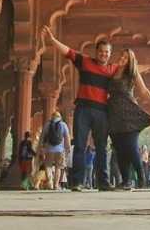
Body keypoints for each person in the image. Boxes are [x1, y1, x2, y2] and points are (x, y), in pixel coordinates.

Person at [42, 25, 120, 191]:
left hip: (102, 111)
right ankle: (77, 182)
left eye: (107, 52)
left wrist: (148, 67)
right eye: (101, 51)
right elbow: (68, 52)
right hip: (83, 109)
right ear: (96, 51)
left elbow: (132, 71)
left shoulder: (113, 69)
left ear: (110, 54)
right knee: (79, 145)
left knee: (101, 147)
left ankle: (103, 182)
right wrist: (52, 40)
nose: (104, 54)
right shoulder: (85, 62)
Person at [107, 49, 150, 190]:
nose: (123, 58)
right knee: (119, 149)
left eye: (126, 57)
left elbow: (143, 91)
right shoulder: (112, 70)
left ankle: (141, 177)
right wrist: (148, 66)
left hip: (130, 114)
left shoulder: (132, 73)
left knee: (131, 147)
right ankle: (126, 181)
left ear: (130, 60)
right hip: (114, 115)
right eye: (122, 56)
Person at [38, 111, 71, 190]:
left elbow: (42, 137)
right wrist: (68, 148)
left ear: (52, 117)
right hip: (60, 150)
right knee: (58, 167)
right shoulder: (63, 125)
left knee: (48, 166)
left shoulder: (47, 125)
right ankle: (56, 185)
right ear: (60, 117)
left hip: (49, 149)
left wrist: (41, 147)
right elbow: (67, 138)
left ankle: (50, 182)